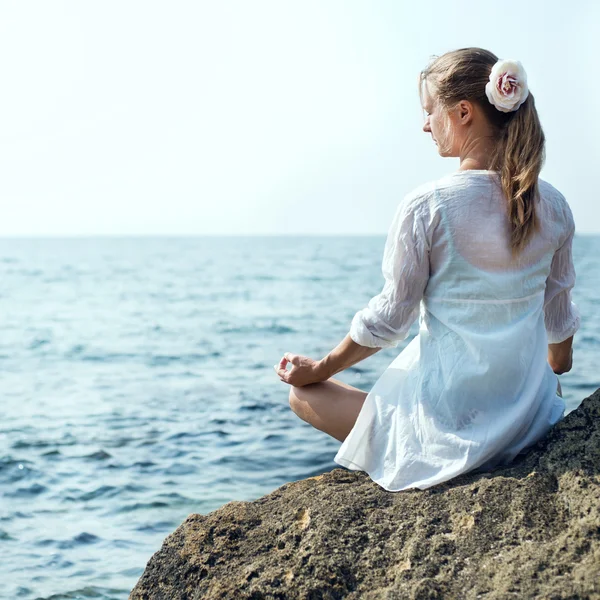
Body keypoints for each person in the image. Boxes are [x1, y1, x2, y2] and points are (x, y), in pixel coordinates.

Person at [273, 47, 580, 492]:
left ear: (462, 112)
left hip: (446, 437)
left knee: (302, 395)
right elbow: (559, 322)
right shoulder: (554, 205)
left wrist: (319, 368)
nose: (424, 125)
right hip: (529, 425)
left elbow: (389, 319)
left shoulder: (428, 206)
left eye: (428, 111)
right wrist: (554, 372)